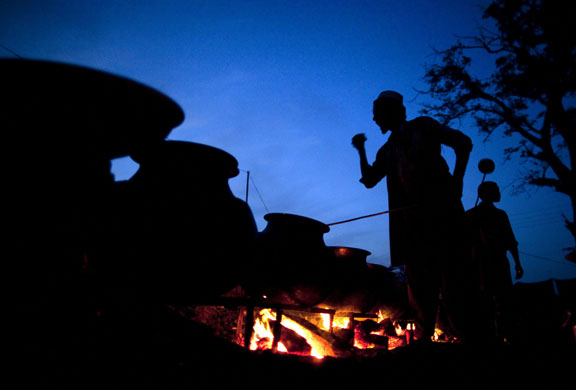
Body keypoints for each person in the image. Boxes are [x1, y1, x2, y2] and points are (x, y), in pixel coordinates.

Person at [352, 90, 477, 343]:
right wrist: (361, 150)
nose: (375, 121)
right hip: (412, 226)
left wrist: (457, 180)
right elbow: (369, 180)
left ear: (392, 112)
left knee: (453, 276)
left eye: (378, 115)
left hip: (444, 215)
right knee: (420, 282)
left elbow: (462, 143)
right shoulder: (387, 150)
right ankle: (422, 341)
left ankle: (469, 338)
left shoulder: (423, 126)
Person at [466, 181, 523, 342]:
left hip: (491, 263)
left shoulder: (483, 214)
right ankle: (493, 337)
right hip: (483, 264)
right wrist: (517, 263)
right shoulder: (475, 215)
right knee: (492, 301)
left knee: (498, 301)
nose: (499, 192)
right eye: (495, 190)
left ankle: (499, 336)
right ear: (485, 194)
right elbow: (510, 241)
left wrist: (517, 263)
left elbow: (511, 242)